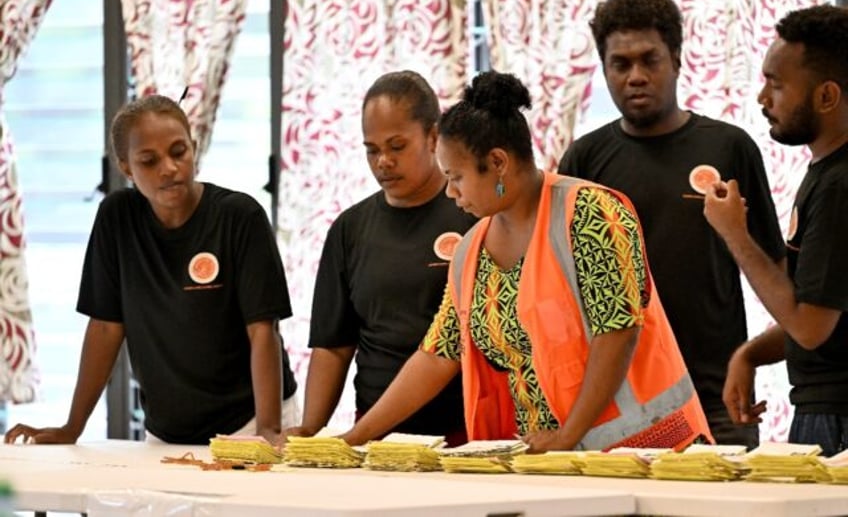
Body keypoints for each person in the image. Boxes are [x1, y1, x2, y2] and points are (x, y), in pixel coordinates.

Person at [341, 70, 712, 453]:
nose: (450, 191)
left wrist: (568, 434)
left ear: (498, 162)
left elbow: (616, 332)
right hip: (554, 461)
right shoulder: (471, 250)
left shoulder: (589, 213)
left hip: (647, 450)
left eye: (457, 177)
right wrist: (356, 438)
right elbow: (437, 354)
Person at [558, 0, 785, 448]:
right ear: (604, 70)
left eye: (650, 60)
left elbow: (777, 273)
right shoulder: (583, 159)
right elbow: (561, 289)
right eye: (621, 65)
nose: (636, 76)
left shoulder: (729, 147)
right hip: (617, 401)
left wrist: (757, 357)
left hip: (717, 396)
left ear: (677, 61)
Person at [4, 95, 298, 446]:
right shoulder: (117, 218)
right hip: (166, 431)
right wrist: (73, 427)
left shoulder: (239, 216)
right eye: (149, 160)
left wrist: (267, 429)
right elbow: (104, 328)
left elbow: (263, 330)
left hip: (249, 422)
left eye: (179, 152)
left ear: (195, 147)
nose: (169, 168)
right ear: (126, 167)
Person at [286, 71, 475, 443]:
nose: (383, 161)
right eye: (372, 150)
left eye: (397, 146)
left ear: (434, 137)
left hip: (466, 428)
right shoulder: (349, 229)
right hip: (376, 433)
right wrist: (311, 427)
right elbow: (333, 346)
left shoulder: (473, 213)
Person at [705, 5, 848, 457]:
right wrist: (750, 354)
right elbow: (821, 308)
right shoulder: (827, 173)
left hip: (837, 416)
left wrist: (735, 235)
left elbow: (809, 327)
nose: (762, 98)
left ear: (827, 97)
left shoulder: (841, 185)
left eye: (777, 84)